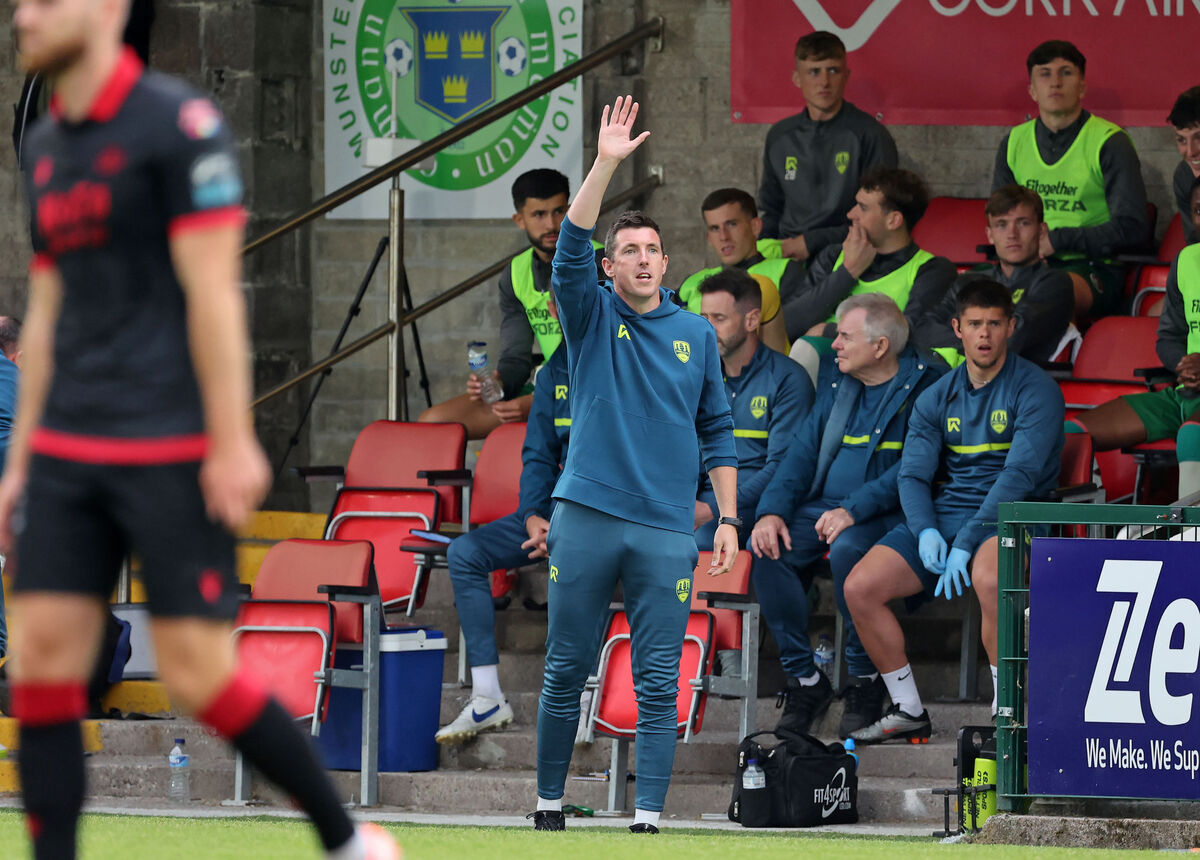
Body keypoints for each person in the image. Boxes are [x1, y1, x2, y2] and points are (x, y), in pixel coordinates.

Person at [5, 1, 397, 857]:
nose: (23, 15)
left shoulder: (180, 126)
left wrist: (230, 436)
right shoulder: (44, 144)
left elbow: (216, 294)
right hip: (67, 445)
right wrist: (20, 459)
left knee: (195, 671)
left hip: (163, 442)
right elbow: (48, 307)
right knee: (39, 662)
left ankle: (345, 838)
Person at [531, 97, 738, 834]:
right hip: (586, 514)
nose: (644, 260)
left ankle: (648, 817)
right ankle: (548, 806)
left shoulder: (695, 334)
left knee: (658, 680)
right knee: (563, 670)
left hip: (664, 526)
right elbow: (570, 244)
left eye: (653, 249)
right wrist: (607, 162)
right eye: (630, 251)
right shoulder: (588, 317)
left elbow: (718, 428)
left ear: (666, 262)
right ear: (610, 267)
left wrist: (730, 518)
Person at [843, 280, 1064, 744]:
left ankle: (1010, 714)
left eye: (994, 324)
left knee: (989, 578)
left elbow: (1020, 477)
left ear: (1010, 327)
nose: (984, 335)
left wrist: (965, 541)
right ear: (957, 329)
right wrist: (924, 530)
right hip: (948, 514)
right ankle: (907, 709)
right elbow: (913, 477)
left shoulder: (1036, 389)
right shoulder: (935, 396)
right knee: (860, 586)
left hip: (1015, 515)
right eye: (975, 324)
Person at [750, 294, 943, 738]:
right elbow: (799, 455)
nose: (832, 344)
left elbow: (914, 469)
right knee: (766, 548)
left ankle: (864, 677)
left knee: (850, 551)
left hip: (892, 514)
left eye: (844, 336)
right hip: (825, 509)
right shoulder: (838, 384)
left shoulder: (929, 385)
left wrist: (853, 510)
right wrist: (771, 512)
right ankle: (805, 678)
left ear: (880, 346)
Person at [436, 295, 571, 744]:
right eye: (558, 301)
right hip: (551, 510)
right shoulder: (555, 371)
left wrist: (572, 520)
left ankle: (586, 690)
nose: (562, 308)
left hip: (605, 514)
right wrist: (533, 516)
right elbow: (536, 457)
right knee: (466, 551)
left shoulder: (631, 360)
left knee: (588, 554)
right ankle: (488, 695)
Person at [418, 169, 604, 439]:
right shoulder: (516, 272)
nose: (551, 225)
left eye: (559, 211)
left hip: (592, 387)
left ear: (572, 209)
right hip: (546, 384)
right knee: (433, 422)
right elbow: (517, 356)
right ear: (520, 220)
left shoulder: (601, 260)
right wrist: (499, 382)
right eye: (538, 214)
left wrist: (543, 399)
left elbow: (602, 352)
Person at [992, 40, 1151, 317]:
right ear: (1032, 90)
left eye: (1066, 73)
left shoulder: (1110, 143)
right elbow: (997, 219)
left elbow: (1133, 227)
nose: (1055, 82)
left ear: (1082, 86)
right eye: (1044, 74)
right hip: (1022, 264)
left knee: (1047, 291)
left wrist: (1059, 239)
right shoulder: (1013, 142)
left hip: (1091, 266)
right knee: (964, 290)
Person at [1067, 178, 1200, 499]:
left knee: (1192, 436)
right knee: (1073, 434)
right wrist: (1181, 364)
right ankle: (1072, 541)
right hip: (1183, 392)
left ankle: (1191, 543)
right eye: (1199, 210)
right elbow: (1168, 336)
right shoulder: (1187, 261)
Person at [694, 268, 813, 549]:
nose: (707, 329)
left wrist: (714, 509)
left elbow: (781, 467)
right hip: (701, 504)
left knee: (701, 540)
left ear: (752, 320)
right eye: (704, 318)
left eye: (719, 319)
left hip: (757, 502)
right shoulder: (697, 377)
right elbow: (685, 454)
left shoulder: (788, 379)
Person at [758, 31, 898, 264]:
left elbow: (880, 218)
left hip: (847, 254)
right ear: (797, 78)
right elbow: (771, 209)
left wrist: (812, 241)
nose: (824, 82)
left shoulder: (870, 134)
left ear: (846, 75)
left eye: (833, 70)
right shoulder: (780, 136)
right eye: (814, 72)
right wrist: (762, 253)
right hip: (786, 255)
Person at [781, 167, 956, 341]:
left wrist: (829, 331)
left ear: (893, 220)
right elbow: (786, 325)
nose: (851, 214)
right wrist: (847, 273)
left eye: (863, 208)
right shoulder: (833, 255)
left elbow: (906, 336)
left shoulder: (931, 270)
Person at [914, 185, 1074, 366]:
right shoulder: (969, 281)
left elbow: (1011, 340)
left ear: (1042, 231)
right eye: (1001, 225)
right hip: (960, 381)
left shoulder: (1055, 283)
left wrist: (963, 338)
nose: (1012, 234)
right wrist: (982, 343)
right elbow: (923, 331)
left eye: (1023, 223)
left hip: (1018, 386)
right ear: (990, 235)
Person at [676, 188, 797, 353]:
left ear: (755, 226)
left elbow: (794, 325)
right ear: (708, 238)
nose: (724, 236)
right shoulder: (692, 282)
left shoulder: (784, 270)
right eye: (715, 228)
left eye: (732, 224)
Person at [1169, 86, 1200, 245]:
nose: (1190, 152)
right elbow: (1194, 242)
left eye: (1199, 137)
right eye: (1181, 140)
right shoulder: (1184, 176)